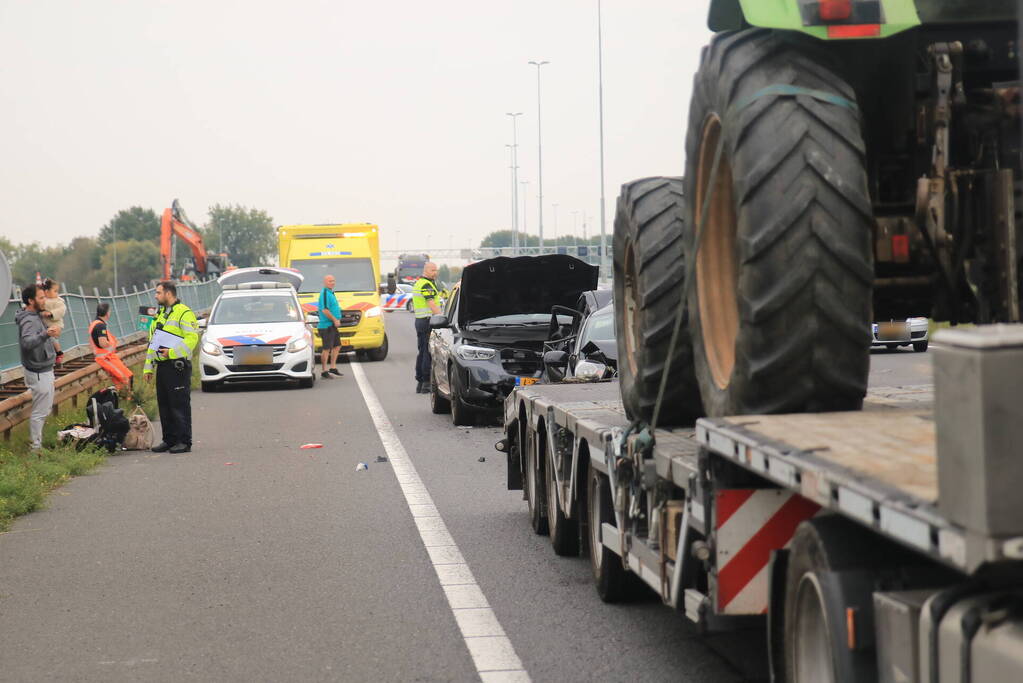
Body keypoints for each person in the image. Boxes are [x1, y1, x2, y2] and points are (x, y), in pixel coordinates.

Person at [144, 281, 199, 454]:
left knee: (179, 405)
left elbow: (192, 338)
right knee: (165, 405)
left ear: (168, 293)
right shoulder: (159, 315)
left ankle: (184, 441)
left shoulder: (184, 313)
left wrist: (172, 352)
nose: (155, 296)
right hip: (162, 366)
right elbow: (152, 343)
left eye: (158, 292)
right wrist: (148, 368)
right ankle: (169, 439)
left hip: (177, 366)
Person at [16, 284, 60, 453]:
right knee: (40, 412)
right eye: (41, 297)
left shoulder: (35, 316)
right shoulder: (29, 319)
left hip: (44, 369)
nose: (45, 300)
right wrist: (45, 334)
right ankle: (36, 449)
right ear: (30, 300)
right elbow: (27, 343)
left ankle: (37, 445)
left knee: (44, 409)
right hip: (38, 371)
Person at [89, 302, 134, 393]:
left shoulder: (95, 323)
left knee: (122, 380)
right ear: (107, 313)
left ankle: (120, 400)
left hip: (108, 357)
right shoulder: (100, 325)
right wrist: (111, 344)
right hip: (105, 358)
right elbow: (102, 343)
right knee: (126, 378)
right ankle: (129, 399)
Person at [412, 262, 441, 394]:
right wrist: (442, 317)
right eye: (433, 270)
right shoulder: (426, 285)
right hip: (427, 321)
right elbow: (432, 304)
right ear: (426, 270)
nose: (435, 272)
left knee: (422, 351)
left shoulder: (419, 283)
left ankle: (420, 382)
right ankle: (426, 383)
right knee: (427, 352)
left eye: (436, 270)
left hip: (421, 321)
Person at [317, 274, 343, 379]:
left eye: (333, 280)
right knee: (327, 348)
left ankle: (333, 368)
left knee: (337, 346)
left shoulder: (331, 293)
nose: (332, 282)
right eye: (330, 281)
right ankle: (324, 370)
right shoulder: (324, 293)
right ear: (325, 282)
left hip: (332, 325)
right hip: (326, 325)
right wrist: (335, 320)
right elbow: (324, 310)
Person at [40, 279, 66, 366]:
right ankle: (50, 357)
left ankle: (59, 353)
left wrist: (51, 313)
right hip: (45, 325)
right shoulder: (43, 300)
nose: (57, 293)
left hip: (55, 324)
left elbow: (61, 310)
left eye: (57, 291)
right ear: (46, 292)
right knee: (45, 340)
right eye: (55, 291)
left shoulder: (58, 300)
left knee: (52, 337)